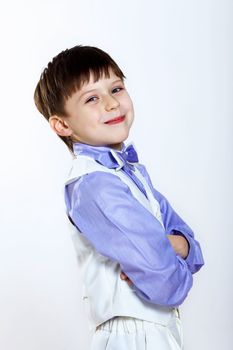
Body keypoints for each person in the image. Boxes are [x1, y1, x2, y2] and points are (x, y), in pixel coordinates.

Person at [34, 45, 204, 350]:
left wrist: (176, 245)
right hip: (131, 336)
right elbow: (166, 281)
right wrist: (168, 252)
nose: (112, 103)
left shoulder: (130, 174)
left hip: (157, 332)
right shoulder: (94, 185)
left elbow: (190, 246)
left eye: (116, 88)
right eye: (92, 98)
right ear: (62, 124)